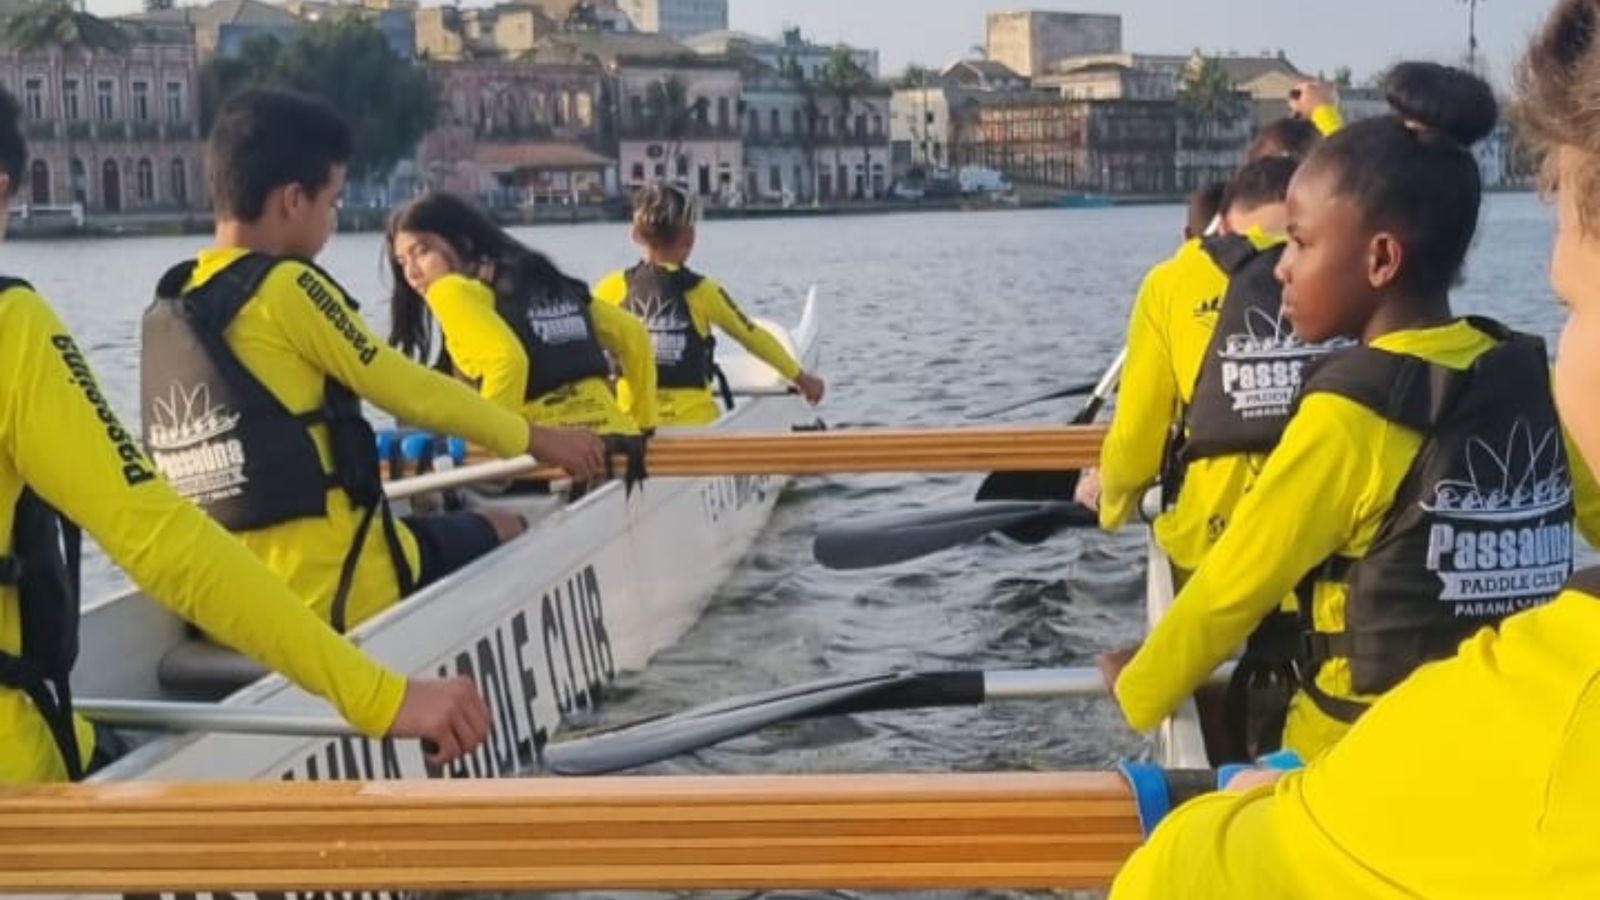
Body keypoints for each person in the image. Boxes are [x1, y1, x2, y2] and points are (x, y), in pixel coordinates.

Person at [1112, 7, 1600, 893]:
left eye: (1298, 244)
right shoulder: (1518, 375)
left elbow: (1231, 589)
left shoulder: (1352, 415)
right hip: (1492, 757)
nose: (1280, 266)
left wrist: (1138, 692)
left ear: (1379, 259)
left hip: (1349, 756)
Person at [0, 87, 491, 782]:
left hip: (239, 606)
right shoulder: (11, 327)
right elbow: (160, 540)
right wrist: (380, 695)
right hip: (18, 792)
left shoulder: (174, 296)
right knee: (497, 525)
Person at [140, 89, 607, 635]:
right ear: (293, 200)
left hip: (223, 604)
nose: (333, 222)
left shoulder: (172, 303)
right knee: (508, 524)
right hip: (338, 592)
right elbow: (409, 389)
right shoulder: (288, 287)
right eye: (332, 202)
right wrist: (542, 440)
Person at [386, 192, 658, 436]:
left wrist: (491, 448)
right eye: (402, 262)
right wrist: (642, 427)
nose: (411, 273)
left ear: (462, 243)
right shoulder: (540, 277)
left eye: (421, 252)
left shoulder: (449, 291)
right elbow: (633, 336)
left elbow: (507, 364)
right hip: (615, 435)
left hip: (550, 452)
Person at [594, 183, 825, 427]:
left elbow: (581, 348)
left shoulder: (609, 289)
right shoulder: (703, 291)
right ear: (690, 237)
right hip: (695, 426)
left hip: (632, 426)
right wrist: (802, 378)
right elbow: (751, 337)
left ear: (636, 235)